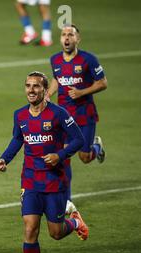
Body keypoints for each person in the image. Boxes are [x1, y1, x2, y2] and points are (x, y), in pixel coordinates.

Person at [0, 71, 88, 253]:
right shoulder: (20, 115)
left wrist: (61, 154)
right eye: (28, 86)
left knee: (55, 233)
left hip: (54, 181)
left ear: (46, 91)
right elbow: (18, 139)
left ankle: (74, 223)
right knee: (30, 228)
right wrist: (4, 158)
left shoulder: (59, 114)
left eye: (36, 86)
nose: (31, 90)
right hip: (30, 181)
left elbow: (79, 139)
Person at [48, 24, 107, 214]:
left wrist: (83, 91)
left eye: (71, 35)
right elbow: (57, 79)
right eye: (64, 35)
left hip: (84, 115)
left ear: (77, 39)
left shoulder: (88, 60)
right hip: (64, 118)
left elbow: (103, 83)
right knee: (64, 159)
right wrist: (48, 95)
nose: (67, 38)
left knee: (84, 157)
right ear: (60, 39)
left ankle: (95, 148)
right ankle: (67, 201)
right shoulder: (55, 59)